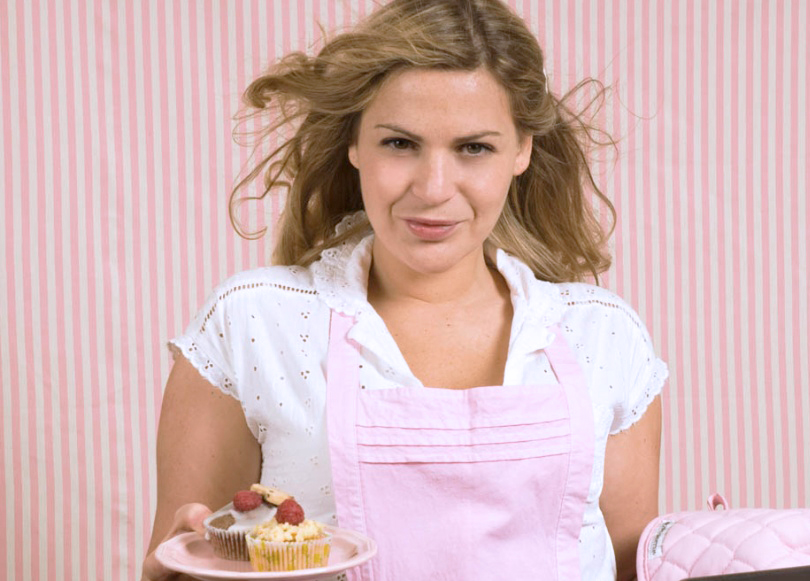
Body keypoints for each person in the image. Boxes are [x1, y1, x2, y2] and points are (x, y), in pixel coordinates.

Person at [142, 0, 667, 579]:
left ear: (522, 150)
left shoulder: (605, 338)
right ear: (354, 143)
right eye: (399, 143)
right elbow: (189, 557)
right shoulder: (250, 327)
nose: (433, 188)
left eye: (473, 147)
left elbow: (635, 570)